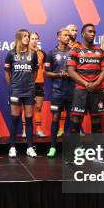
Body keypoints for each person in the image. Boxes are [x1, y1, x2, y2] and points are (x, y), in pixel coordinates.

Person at [67, 24, 104, 135]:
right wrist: (86, 84)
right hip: (81, 90)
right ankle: (75, 149)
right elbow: (71, 71)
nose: (92, 34)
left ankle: (95, 149)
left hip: (97, 90)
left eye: (93, 32)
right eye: (89, 31)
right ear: (83, 34)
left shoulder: (100, 51)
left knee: (97, 120)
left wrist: (96, 84)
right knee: (76, 120)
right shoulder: (75, 51)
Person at [4, 29, 38, 157]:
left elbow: (34, 72)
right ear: (18, 37)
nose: (27, 38)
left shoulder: (33, 54)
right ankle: (12, 147)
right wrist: (12, 85)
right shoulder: (11, 54)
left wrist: (30, 83)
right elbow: (7, 73)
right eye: (24, 36)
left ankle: (29, 147)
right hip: (16, 91)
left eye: (28, 36)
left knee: (29, 119)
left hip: (29, 91)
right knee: (15, 119)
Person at [44, 28, 73, 157]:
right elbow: (46, 72)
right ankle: (53, 147)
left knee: (73, 119)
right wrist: (58, 74)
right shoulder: (51, 53)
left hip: (72, 91)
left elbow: (78, 71)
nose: (68, 37)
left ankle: (72, 147)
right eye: (65, 35)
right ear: (58, 37)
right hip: (57, 92)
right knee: (55, 118)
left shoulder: (74, 52)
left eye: (69, 35)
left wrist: (70, 74)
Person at [29, 31, 46, 138]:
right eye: (32, 38)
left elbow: (44, 68)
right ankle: (25, 131)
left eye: (36, 38)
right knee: (27, 108)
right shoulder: (24, 53)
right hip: (28, 84)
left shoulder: (42, 53)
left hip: (39, 83)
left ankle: (39, 129)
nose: (34, 40)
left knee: (38, 107)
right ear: (29, 39)